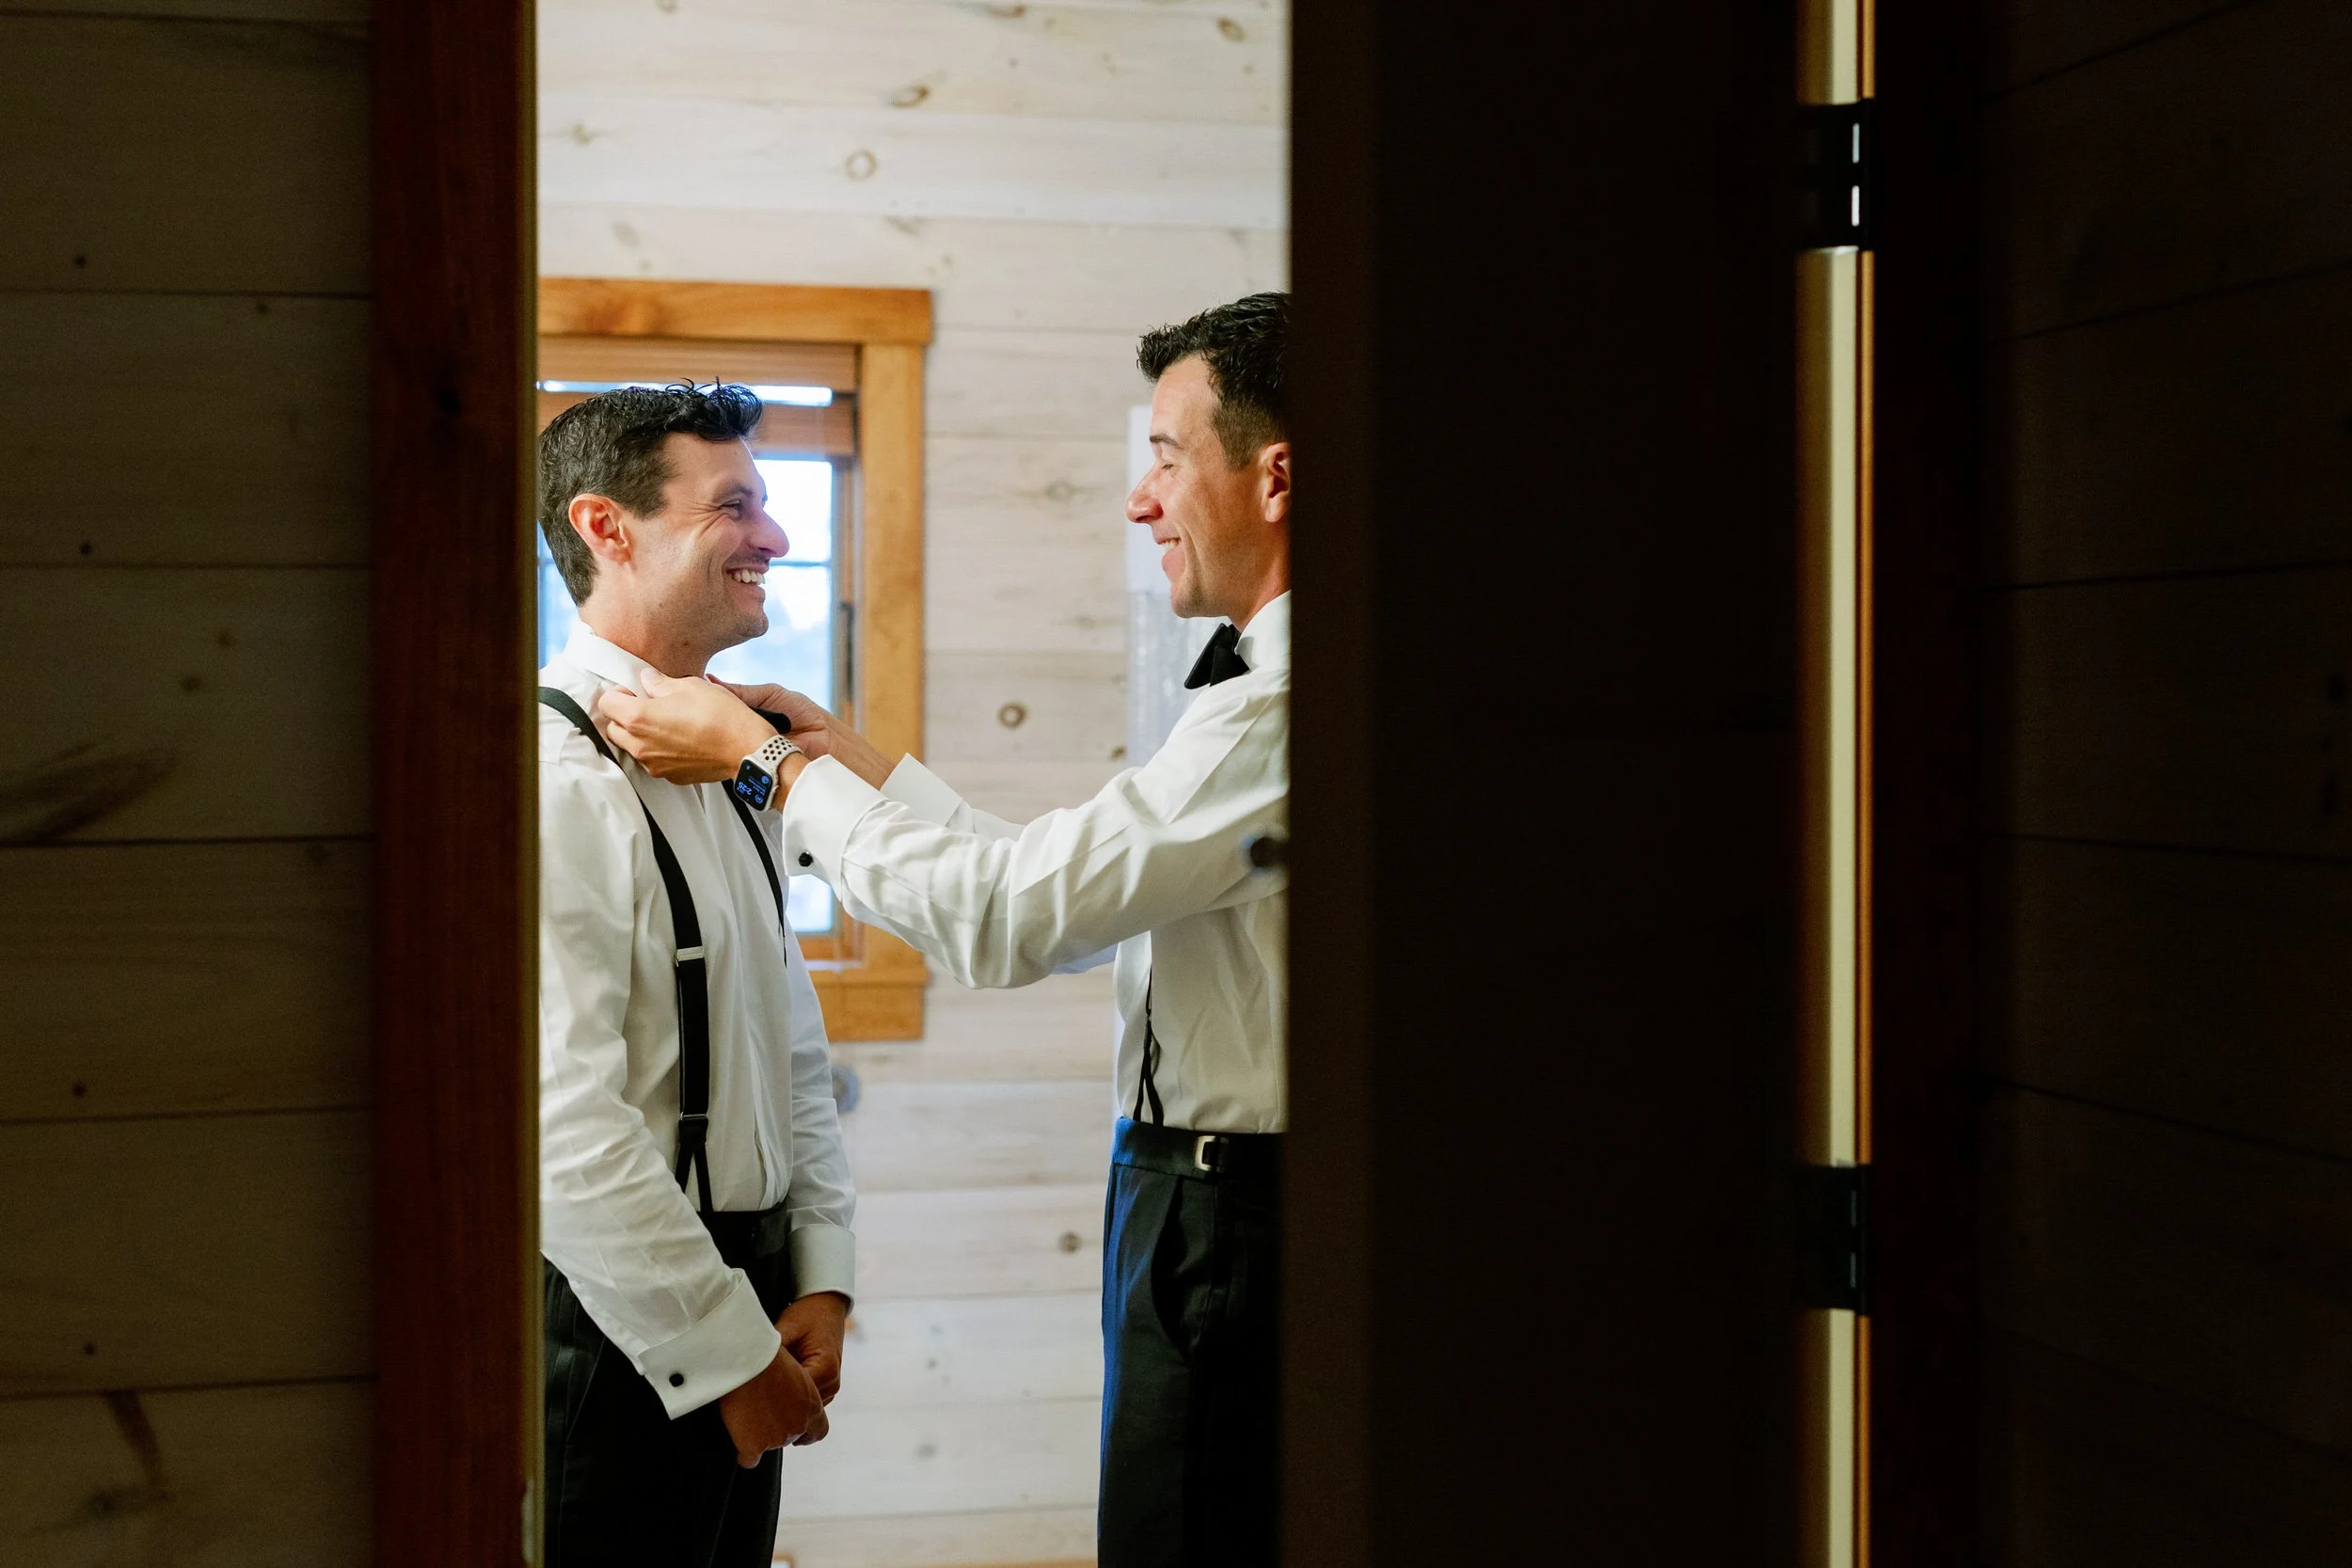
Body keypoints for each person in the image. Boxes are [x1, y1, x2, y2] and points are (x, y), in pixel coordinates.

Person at [597, 293, 1293, 1568]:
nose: (1139, 501)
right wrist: (844, 763)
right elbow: (1066, 897)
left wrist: (770, 768)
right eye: (733, 504)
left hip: (1243, 1220)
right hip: (1200, 1203)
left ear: (1277, 478)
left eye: (1162, 458)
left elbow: (1011, 919)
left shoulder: (1283, 706)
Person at [535, 383, 856, 1568]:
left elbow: (790, 1044)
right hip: (624, 1321)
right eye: (733, 505)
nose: (775, 533)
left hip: (760, 1302)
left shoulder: (731, 757)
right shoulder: (552, 778)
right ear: (605, 526)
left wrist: (821, 1274)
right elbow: (558, 1122)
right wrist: (724, 1353)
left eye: (767, 501)